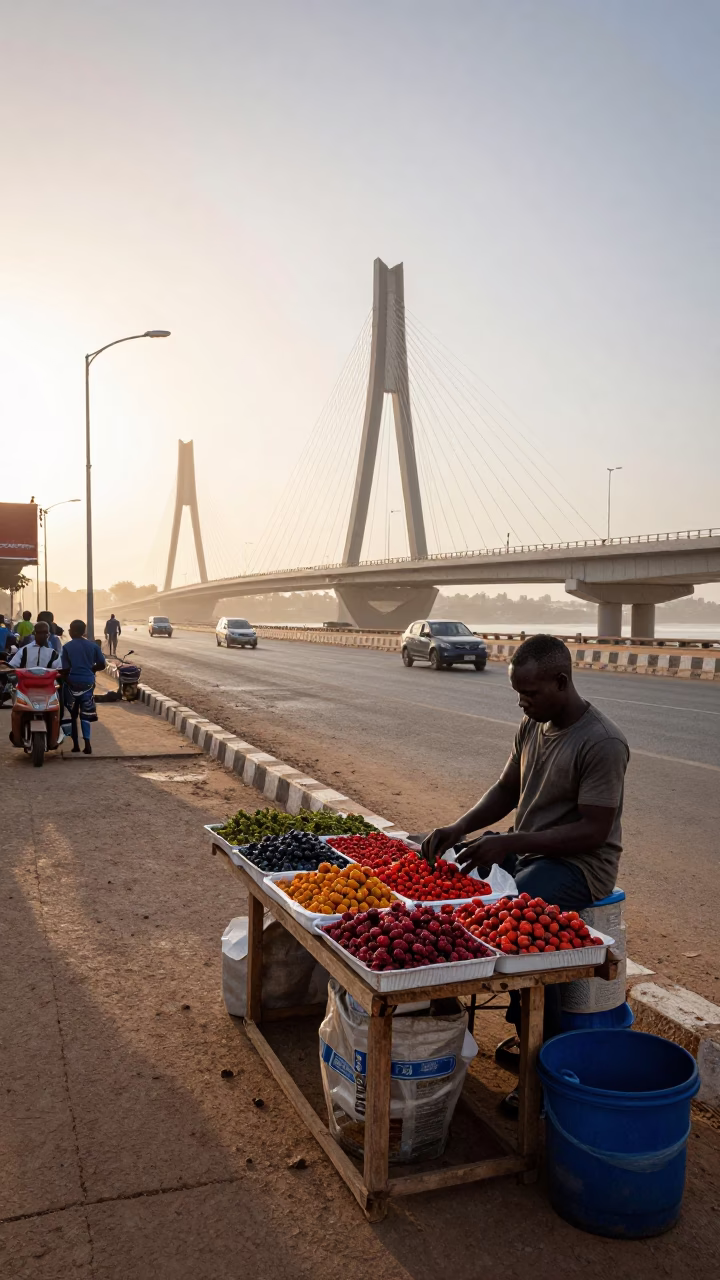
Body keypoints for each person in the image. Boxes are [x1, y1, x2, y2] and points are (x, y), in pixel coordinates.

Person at [422, 633, 629, 1112]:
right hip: (530, 847)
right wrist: (460, 828)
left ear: (561, 682)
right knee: (462, 885)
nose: (523, 702)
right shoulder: (532, 725)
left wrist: (509, 843)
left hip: (579, 864)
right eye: (519, 693)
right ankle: (467, 1015)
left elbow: (593, 831)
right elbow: (506, 789)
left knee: (520, 928)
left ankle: (544, 1066)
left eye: (531, 693)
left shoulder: (602, 741)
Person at [60, 619, 106, 755]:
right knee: (85, 715)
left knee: (73, 715)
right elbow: (102, 664)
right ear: (84, 631)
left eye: (70, 629)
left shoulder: (67, 647)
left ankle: (75, 745)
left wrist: (67, 680)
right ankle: (87, 744)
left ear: (72, 631)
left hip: (72, 684)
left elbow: (64, 669)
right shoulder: (93, 646)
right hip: (88, 683)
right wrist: (91, 670)